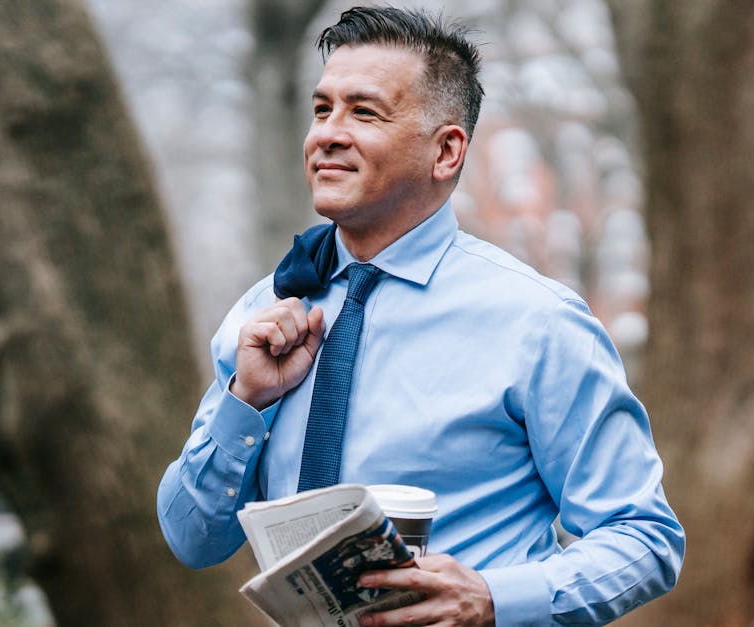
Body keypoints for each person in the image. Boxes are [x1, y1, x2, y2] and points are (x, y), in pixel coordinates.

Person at [157, 6, 684, 626]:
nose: (326, 132)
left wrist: (494, 600)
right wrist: (244, 401)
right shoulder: (264, 314)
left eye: (364, 112)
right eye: (322, 108)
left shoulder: (536, 323)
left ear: (446, 152)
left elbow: (645, 537)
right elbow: (193, 540)